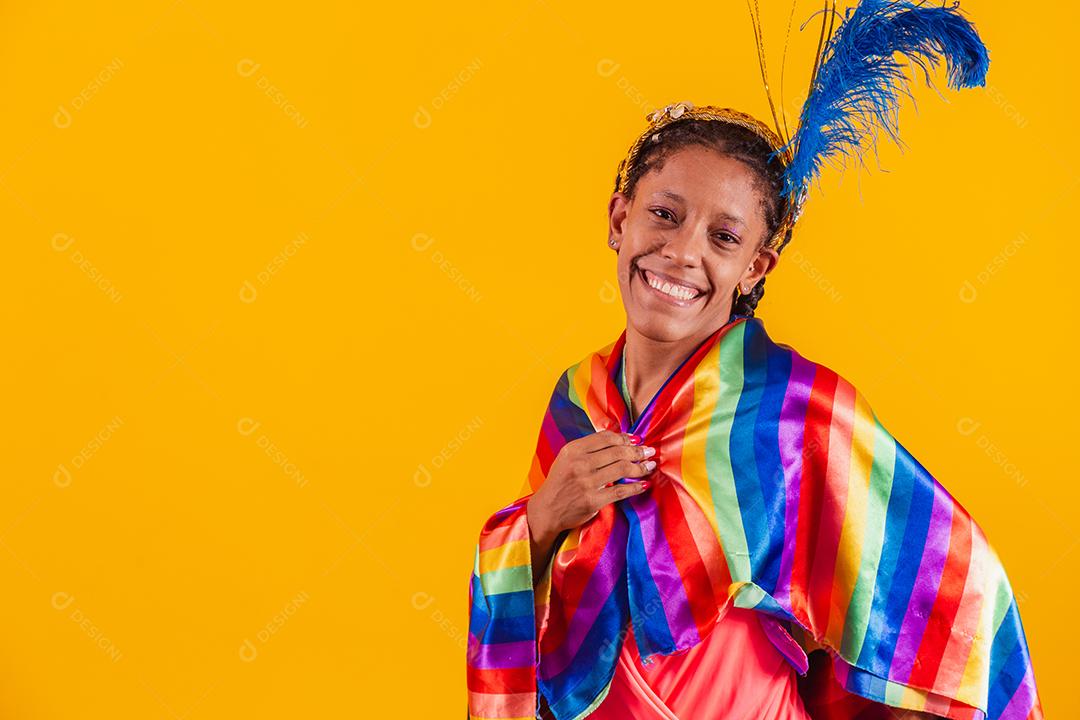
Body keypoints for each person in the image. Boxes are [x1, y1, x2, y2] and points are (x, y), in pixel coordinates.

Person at [466, 2, 1042, 719]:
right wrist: (541, 518)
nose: (682, 251)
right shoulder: (578, 398)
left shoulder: (797, 408)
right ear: (620, 218)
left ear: (755, 266)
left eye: (724, 237)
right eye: (665, 214)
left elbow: (950, 584)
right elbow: (543, 619)